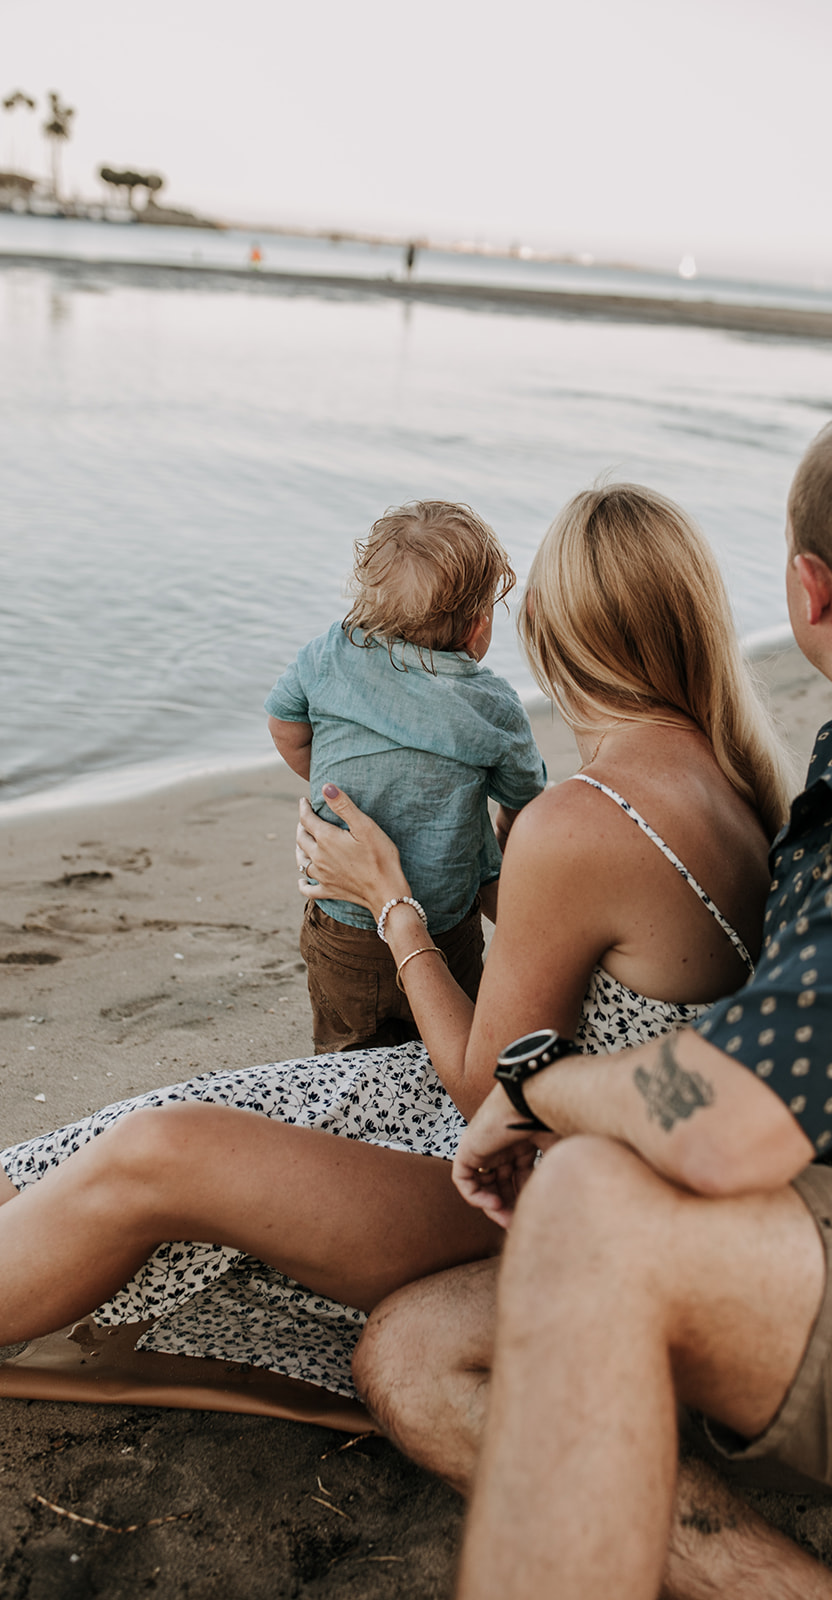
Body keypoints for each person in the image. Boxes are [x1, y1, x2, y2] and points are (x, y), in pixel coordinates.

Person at [349, 396, 832, 1600]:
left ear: (807, 589)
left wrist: (537, 1085)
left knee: (589, 1195)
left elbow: (724, 1115)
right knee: (417, 1357)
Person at [0, 483, 789, 1408]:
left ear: (549, 627)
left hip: (539, 1178)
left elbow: (483, 1087)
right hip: (585, 1139)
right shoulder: (730, 779)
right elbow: (577, 949)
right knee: (122, 1131)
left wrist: (390, 901)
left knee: (161, 1150)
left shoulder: (588, 819)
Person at [266, 500, 546, 1052]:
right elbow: (525, 797)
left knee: (344, 1054)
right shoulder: (492, 706)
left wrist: (323, 779)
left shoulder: (328, 655)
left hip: (343, 918)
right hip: (443, 925)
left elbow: (283, 723)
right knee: (450, 1040)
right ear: (478, 625)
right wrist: (504, 826)